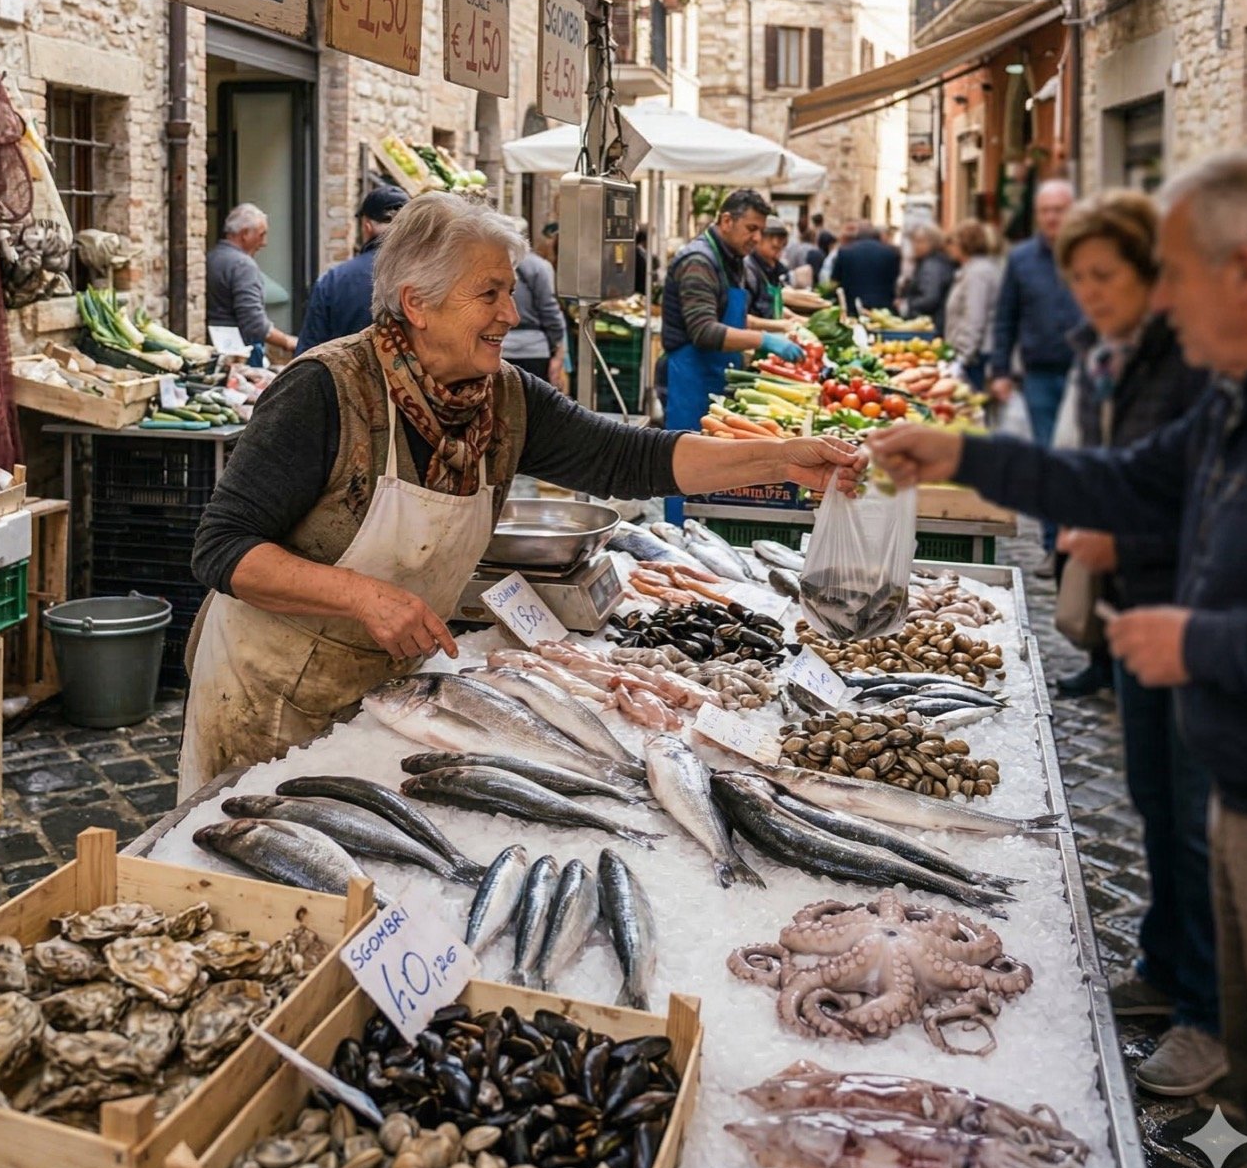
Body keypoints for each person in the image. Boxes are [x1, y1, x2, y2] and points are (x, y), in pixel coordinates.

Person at [870, 156, 1247, 1168]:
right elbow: (1120, 480)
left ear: (1242, 273)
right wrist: (962, 451)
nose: (1156, 302)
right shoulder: (1237, 402)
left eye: (1174, 278)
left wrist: (1203, 642)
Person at [185, 191, 864, 796]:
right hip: (268, 690)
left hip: (388, 686)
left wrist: (777, 457)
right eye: (489, 295)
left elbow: (629, 457)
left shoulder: (500, 399)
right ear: (417, 303)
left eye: (509, 293)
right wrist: (362, 597)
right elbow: (221, 549)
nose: (512, 314)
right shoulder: (324, 390)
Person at [1053, 191, 1217, 1091]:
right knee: (1154, 798)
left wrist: (1127, 538)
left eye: (1104, 276)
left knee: (1196, 820)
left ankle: (1213, 1017)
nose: (1089, 294)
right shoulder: (1135, 356)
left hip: (1201, 623)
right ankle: (1164, 968)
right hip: (1141, 612)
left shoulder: (1203, 360)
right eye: (1078, 279)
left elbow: (1218, 503)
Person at [660, 189, 805, 430]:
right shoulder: (699, 261)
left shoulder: (733, 260)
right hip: (690, 379)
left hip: (717, 374)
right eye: (751, 229)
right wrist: (763, 339)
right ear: (727, 221)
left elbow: (731, 315)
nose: (758, 238)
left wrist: (776, 330)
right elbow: (704, 331)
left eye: (760, 230)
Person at [988, 179, 1083, 445]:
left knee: (1081, 447)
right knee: (1046, 446)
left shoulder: (1089, 254)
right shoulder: (1021, 259)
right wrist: (1000, 371)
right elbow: (1006, 317)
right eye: (1045, 210)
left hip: (1084, 369)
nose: (1052, 217)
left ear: (1073, 211)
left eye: (1059, 209)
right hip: (1038, 373)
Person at [296, 185, 410, 354]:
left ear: (367, 226)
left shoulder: (333, 281)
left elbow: (307, 355)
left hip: (347, 378)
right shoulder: (433, 274)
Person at [207, 203, 297, 354]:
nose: (264, 243)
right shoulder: (244, 265)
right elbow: (254, 323)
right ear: (245, 234)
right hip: (239, 351)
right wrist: (287, 341)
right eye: (261, 235)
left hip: (212, 346)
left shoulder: (211, 257)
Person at [502, 225, 568, 388]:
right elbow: (550, 310)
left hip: (499, 348)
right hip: (534, 350)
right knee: (532, 408)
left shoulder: (491, 265)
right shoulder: (539, 266)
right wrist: (556, 345)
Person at [944, 220, 1003, 390]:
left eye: (954, 242)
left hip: (976, 357)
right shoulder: (972, 270)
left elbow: (974, 317)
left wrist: (963, 357)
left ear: (965, 243)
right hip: (971, 354)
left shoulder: (978, 273)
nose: (950, 247)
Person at [832, 221, 902, 315]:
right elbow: (897, 280)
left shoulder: (845, 252)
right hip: (883, 308)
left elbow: (835, 281)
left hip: (853, 307)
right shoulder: (890, 252)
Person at [899, 224, 956, 334]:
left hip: (931, 325)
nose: (915, 246)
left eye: (920, 242)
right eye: (914, 242)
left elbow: (930, 297)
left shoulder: (932, 265)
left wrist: (907, 304)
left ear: (932, 242)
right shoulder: (930, 261)